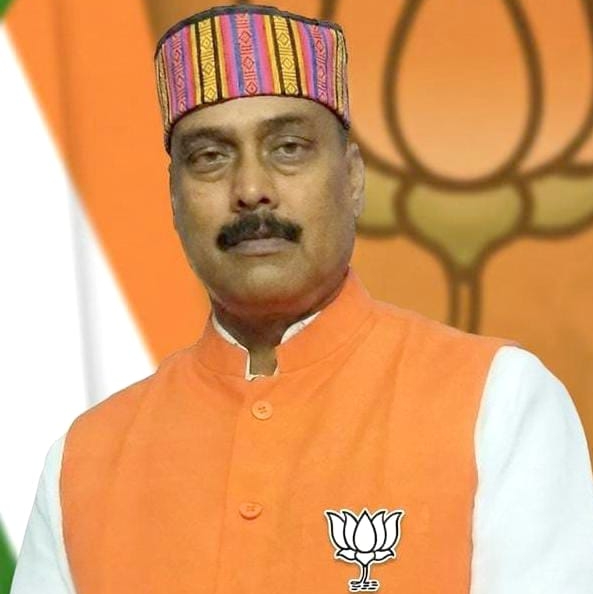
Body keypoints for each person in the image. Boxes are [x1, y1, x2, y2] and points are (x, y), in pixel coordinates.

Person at [10, 4, 593, 594]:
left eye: (288, 147)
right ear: (174, 198)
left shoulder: (498, 401)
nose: (251, 190)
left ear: (354, 177)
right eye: (210, 157)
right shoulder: (84, 461)